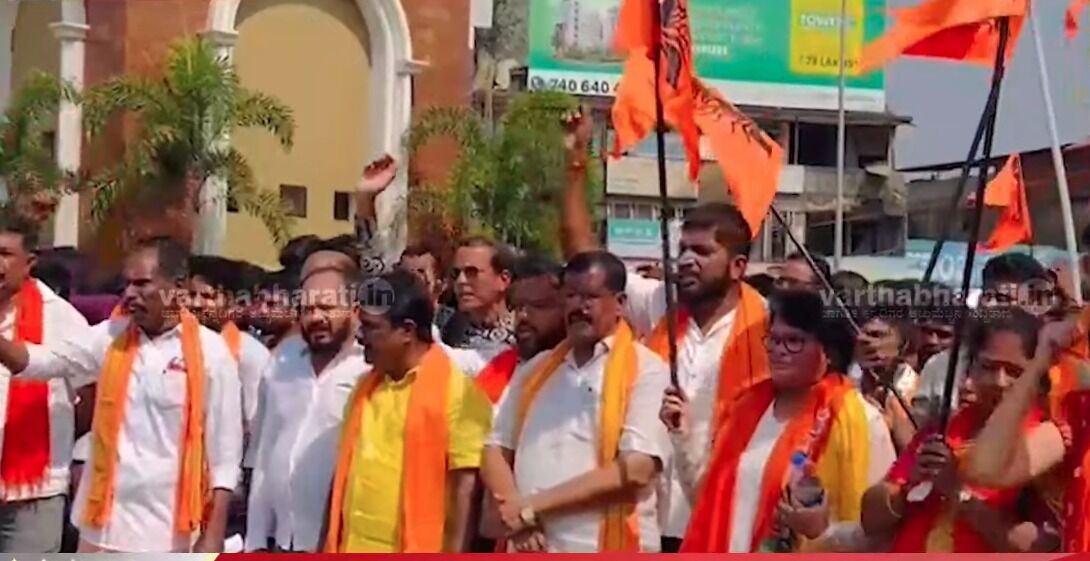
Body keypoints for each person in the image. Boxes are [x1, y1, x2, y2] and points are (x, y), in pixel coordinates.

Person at [557, 109, 769, 551]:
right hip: (651, 519)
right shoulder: (660, 306)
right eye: (683, 249)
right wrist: (576, 163)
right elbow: (585, 259)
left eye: (702, 252)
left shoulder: (766, 328)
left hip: (723, 520)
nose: (686, 261)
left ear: (738, 266)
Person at [31, 239, 242, 552]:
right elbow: (42, 361)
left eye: (142, 283)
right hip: (102, 526)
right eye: (127, 284)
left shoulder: (212, 353)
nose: (129, 293)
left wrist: (213, 534)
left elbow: (225, 455)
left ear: (178, 287)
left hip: (171, 534)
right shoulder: (110, 336)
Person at [677, 290, 896, 552]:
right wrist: (683, 436)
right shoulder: (744, 408)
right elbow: (706, 503)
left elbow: (879, 533)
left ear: (829, 352)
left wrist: (822, 532)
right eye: (774, 339)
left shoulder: (862, 420)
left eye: (793, 341)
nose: (778, 350)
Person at [481, 251, 670, 552]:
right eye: (570, 296)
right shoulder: (537, 369)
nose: (578, 307)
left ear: (620, 303)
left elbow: (637, 469)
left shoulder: (647, 369)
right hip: (530, 545)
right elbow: (495, 447)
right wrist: (514, 514)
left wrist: (532, 508)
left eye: (590, 297)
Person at [323, 270, 492, 553]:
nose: (360, 336)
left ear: (407, 331)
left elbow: (465, 493)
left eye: (370, 327)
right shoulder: (366, 388)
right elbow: (342, 475)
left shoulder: (459, 394)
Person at [862, 310, 1056, 552]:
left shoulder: (1045, 443)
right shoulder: (941, 431)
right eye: (988, 367)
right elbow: (870, 521)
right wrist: (909, 483)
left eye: (1015, 372)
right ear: (970, 370)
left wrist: (957, 492)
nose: (999, 381)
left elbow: (1037, 549)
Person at [245, 257, 367, 552]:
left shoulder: (369, 368)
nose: (315, 318)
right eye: (307, 309)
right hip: (278, 541)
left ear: (354, 310)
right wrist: (256, 538)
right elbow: (263, 455)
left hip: (337, 541)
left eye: (326, 307)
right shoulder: (282, 360)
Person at [0, 212, 91, 553]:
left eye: (5, 254)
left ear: (30, 262)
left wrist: (58, 440)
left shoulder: (61, 318)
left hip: (35, 490)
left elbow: (91, 390)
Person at [916, 253, 1054, 420]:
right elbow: (921, 428)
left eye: (1003, 299)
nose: (990, 305)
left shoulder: (1056, 367)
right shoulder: (941, 366)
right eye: (987, 296)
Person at [187, 256, 270, 431]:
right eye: (191, 295)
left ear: (231, 302)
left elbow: (254, 423)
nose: (196, 304)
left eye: (207, 296)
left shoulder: (251, 354)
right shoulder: (175, 344)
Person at [474, 254, 566, 405]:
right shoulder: (499, 366)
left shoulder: (582, 374)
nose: (523, 315)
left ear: (566, 308)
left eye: (538, 306)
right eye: (518, 307)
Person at [398, 242, 453, 332]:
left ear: (441, 284)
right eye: (405, 273)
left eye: (420, 271)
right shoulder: (390, 320)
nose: (411, 279)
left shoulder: (453, 323)